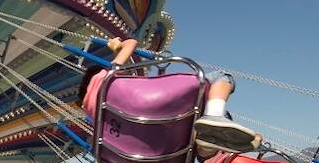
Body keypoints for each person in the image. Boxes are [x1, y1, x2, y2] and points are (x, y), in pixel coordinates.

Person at [78, 38, 259, 154]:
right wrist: (116, 45)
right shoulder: (104, 78)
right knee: (221, 76)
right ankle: (216, 116)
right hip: (159, 105)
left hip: (158, 152)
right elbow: (131, 43)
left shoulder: (98, 120)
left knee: (185, 132)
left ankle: (206, 145)